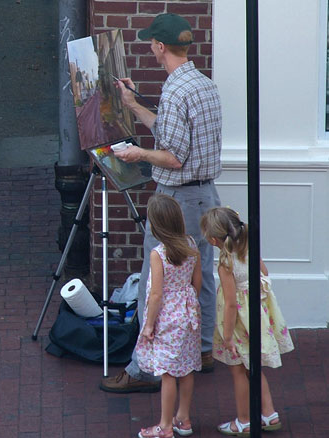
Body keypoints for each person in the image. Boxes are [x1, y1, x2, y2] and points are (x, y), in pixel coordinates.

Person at [100, 13, 222, 393]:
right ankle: (202, 352)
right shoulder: (202, 85)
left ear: (160, 46)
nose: (150, 48)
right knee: (200, 278)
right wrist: (133, 105)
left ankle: (146, 368)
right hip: (206, 197)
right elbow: (173, 132)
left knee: (159, 279)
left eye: (151, 43)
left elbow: (173, 157)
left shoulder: (175, 90)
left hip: (177, 200)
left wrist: (137, 153)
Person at [200, 207, 294, 436]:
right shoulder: (250, 249)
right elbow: (264, 273)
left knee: (238, 370)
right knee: (254, 367)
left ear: (214, 239)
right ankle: (269, 415)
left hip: (239, 324)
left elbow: (231, 304)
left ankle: (244, 420)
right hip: (256, 315)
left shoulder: (225, 264)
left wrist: (228, 336)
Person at [135, 194, 201, 438]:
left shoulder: (158, 254)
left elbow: (155, 294)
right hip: (189, 313)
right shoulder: (192, 244)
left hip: (167, 317)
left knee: (167, 373)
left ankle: (164, 427)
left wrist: (149, 324)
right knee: (186, 367)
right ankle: (183, 419)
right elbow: (197, 283)